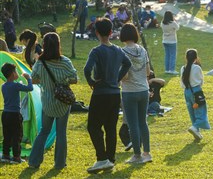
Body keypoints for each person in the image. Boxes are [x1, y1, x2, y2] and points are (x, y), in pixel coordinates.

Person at [84, 18, 131, 173]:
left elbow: (87, 69)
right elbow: (128, 64)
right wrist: (117, 78)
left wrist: (91, 81)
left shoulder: (96, 51)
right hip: (115, 94)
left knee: (93, 126)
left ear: (96, 33)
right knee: (110, 128)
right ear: (111, 32)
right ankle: (110, 159)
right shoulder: (118, 50)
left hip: (100, 94)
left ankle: (102, 158)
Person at [28, 32, 78, 170]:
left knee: (44, 131)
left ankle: (34, 161)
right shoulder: (65, 61)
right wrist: (63, 81)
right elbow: (74, 78)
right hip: (62, 101)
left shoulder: (40, 63)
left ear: (44, 45)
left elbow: (33, 79)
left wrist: (44, 80)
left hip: (48, 102)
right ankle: (60, 163)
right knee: (61, 132)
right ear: (58, 45)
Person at [119, 23, 152, 164]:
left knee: (133, 124)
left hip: (129, 91)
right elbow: (147, 72)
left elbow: (125, 76)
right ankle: (147, 153)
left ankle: (137, 155)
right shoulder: (142, 50)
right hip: (144, 90)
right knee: (143, 122)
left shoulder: (122, 52)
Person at [1, 63, 33, 164]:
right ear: (12, 74)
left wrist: (18, 82)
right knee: (17, 135)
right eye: (15, 71)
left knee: (7, 135)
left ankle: (6, 155)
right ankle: (16, 157)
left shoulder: (3, 86)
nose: (17, 73)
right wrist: (29, 78)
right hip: (15, 115)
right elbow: (30, 88)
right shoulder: (16, 85)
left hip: (5, 114)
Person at [180, 49, 210, 141]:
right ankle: (195, 127)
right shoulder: (197, 68)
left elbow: (182, 83)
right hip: (196, 91)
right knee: (201, 112)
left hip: (187, 91)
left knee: (192, 112)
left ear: (186, 57)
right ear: (196, 58)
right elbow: (201, 81)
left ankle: (196, 131)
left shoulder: (183, 68)